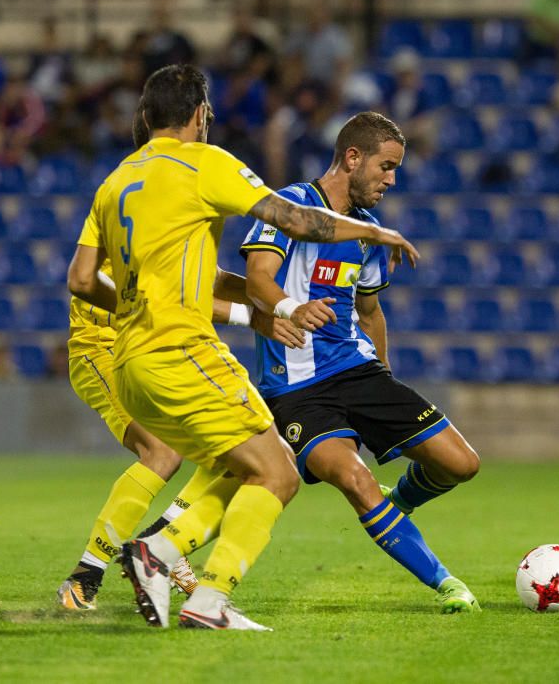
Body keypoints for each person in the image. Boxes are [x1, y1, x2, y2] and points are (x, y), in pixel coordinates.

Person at [67, 64, 418, 630]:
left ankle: (170, 570)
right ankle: (188, 583)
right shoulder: (205, 161)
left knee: (240, 464)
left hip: (130, 363)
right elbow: (296, 219)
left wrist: (141, 310)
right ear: (201, 115)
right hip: (182, 352)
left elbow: (82, 280)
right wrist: (376, 232)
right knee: (280, 472)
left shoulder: (114, 182)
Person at [57, 106, 306, 612]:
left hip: (144, 345)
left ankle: (164, 543)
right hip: (101, 347)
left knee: (236, 453)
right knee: (164, 453)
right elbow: (177, 296)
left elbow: (205, 280)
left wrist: (275, 299)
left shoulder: (151, 195)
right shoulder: (152, 195)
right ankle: (86, 577)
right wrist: (252, 315)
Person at [241, 111, 481, 613]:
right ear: (353, 157)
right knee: (354, 478)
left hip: (359, 373)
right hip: (296, 389)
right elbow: (258, 279)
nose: (392, 180)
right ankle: (447, 584)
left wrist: (384, 380)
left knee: (462, 464)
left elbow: (370, 312)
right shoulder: (290, 206)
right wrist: (291, 306)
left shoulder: (369, 233)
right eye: (386, 167)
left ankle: (402, 503)